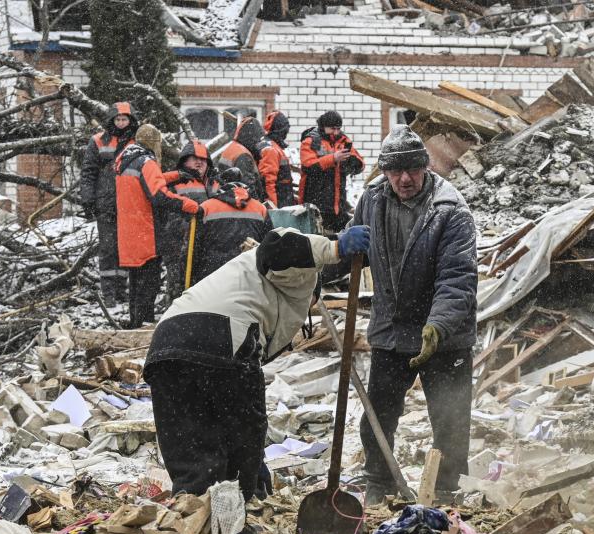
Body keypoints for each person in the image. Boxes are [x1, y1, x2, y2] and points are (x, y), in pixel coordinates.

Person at [144, 227, 370, 500]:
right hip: (222, 337)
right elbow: (276, 248)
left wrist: (254, 459)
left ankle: (192, 511)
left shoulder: (240, 280)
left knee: (190, 445)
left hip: (166, 346)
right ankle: (233, 513)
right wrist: (335, 249)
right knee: (243, 430)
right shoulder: (300, 276)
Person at [350, 126, 477, 506]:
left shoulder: (450, 210)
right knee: (378, 413)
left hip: (444, 332)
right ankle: (379, 481)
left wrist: (437, 327)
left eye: (412, 170)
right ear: (385, 171)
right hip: (391, 329)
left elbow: (457, 279)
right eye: (395, 171)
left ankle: (446, 488)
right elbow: (353, 247)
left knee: (450, 416)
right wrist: (329, 257)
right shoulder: (372, 199)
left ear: (425, 167)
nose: (404, 179)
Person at [114, 124, 201, 329]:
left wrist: (178, 175)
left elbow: (148, 181)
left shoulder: (126, 160)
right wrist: (189, 205)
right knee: (148, 285)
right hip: (146, 234)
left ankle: (136, 324)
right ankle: (144, 328)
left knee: (136, 285)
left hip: (129, 234)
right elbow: (159, 196)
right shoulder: (147, 161)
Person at [78, 101, 136, 304]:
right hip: (106, 203)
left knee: (125, 248)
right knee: (108, 248)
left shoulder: (136, 142)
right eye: (118, 119)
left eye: (124, 119)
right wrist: (87, 199)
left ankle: (122, 291)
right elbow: (88, 172)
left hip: (130, 204)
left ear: (130, 121)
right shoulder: (98, 141)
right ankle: (109, 293)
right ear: (111, 120)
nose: (121, 123)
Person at [191, 167, 274, 282]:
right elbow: (269, 247)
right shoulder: (260, 209)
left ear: (221, 185)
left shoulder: (206, 207)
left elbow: (193, 250)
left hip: (212, 277)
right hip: (250, 275)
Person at [158, 140, 215, 300]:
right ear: (184, 160)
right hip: (177, 244)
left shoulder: (215, 182)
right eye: (194, 158)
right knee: (178, 287)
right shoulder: (175, 182)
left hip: (206, 245)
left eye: (203, 159)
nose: (199, 162)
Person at [298, 110, 365, 232]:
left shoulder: (344, 141)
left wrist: (354, 163)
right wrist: (333, 158)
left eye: (338, 128)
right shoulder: (311, 141)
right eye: (332, 129)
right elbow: (308, 166)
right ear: (323, 127)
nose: (336, 132)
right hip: (315, 200)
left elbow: (360, 163)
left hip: (338, 204)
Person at [216, 116, 265, 197]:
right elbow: (248, 186)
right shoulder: (244, 155)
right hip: (239, 200)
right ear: (252, 138)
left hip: (227, 195)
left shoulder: (232, 147)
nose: (258, 143)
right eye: (258, 139)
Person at [259, 111, 295, 208]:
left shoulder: (272, 145)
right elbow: (268, 181)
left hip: (282, 199)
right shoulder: (271, 149)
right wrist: (272, 206)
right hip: (279, 202)